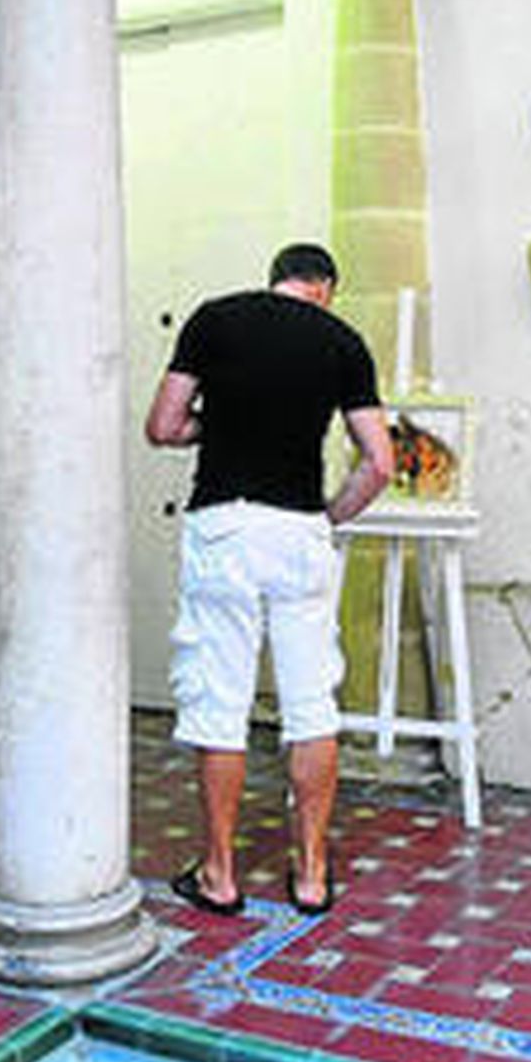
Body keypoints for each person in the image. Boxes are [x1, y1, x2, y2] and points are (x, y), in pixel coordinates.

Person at [144, 242, 393, 917]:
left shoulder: (213, 319)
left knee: (218, 702)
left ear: (275, 279)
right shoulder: (343, 341)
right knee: (312, 704)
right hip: (299, 532)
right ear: (325, 289)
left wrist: (215, 425)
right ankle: (310, 873)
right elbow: (380, 461)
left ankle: (220, 873)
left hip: (224, 526)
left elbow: (162, 426)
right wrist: (330, 516)